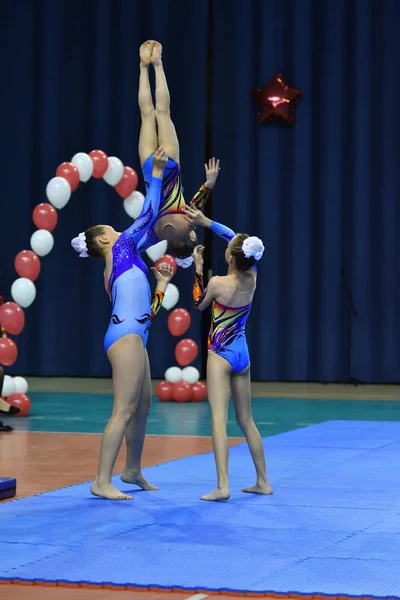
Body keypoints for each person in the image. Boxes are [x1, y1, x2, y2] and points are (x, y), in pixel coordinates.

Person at [71, 148, 173, 500]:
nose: (120, 230)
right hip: (125, 337)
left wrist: (160, 284)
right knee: (124, 409)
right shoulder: (120, 248)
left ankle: (132, 469)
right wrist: (157, 174)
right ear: (104, 239)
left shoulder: (122, 258)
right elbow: (149, 214)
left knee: (143, 405)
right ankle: (101, 480)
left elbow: (146, 312)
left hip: (135, 336)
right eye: (113, 229)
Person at [185, 205, 273, 501]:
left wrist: (197, 267)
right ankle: (263, 481)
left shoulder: (218, 284)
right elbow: (236, 239)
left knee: (218, 419)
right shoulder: (253, 276)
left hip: (220, 353)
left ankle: (223, 487)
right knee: (246, 420)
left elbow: (198, 304)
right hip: (242, 354)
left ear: (230, 257)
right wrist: (208, 221)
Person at [136, 40, 220, 264]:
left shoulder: (190, 222)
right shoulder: (156, 235)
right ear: (170, 246)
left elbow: (196, 202)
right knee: (146, 114)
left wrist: (209, 183)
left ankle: (157, 64)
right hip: (149, 167)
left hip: (170, 166)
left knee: (162, 113)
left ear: (192, 236)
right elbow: (134, 246)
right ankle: (144, 67)